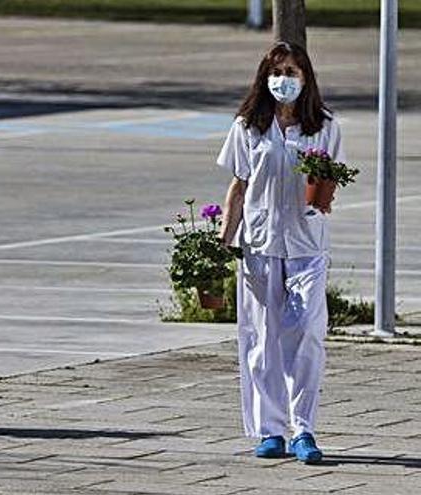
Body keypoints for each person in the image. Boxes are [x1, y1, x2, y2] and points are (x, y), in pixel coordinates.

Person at [216, 41, 344, 464]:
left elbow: (330, 182)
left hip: (307, 243)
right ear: (264, 77)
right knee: (261, 338)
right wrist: (223, 241)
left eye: (291, 72)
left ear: (305, 78)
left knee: (306, 330)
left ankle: (303, 428)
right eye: (276, 72)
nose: (282, 80)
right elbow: (238, 187)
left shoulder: (324, 125)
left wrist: (321, 193)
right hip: (259, 244)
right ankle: (270, 430)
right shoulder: (249, 126)